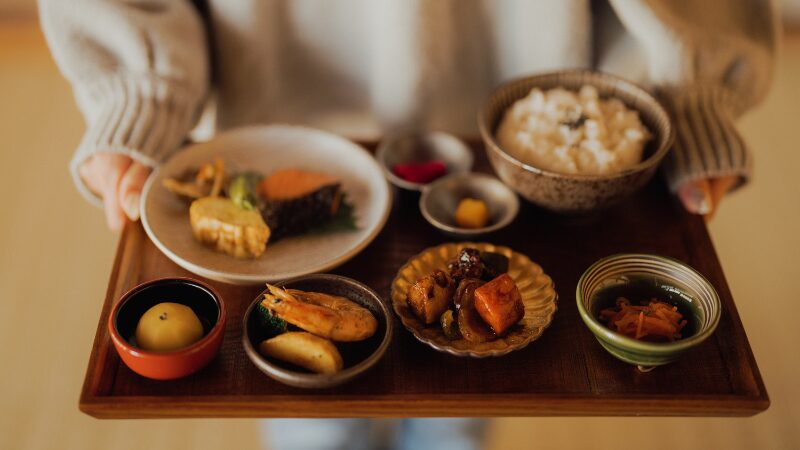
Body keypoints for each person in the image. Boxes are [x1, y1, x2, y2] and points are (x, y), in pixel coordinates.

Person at [39, 1, 776, 449]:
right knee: (305, 406)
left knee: (460, 415)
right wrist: (136, 92)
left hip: (514, 136)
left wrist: (688, 93)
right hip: (267, 116)